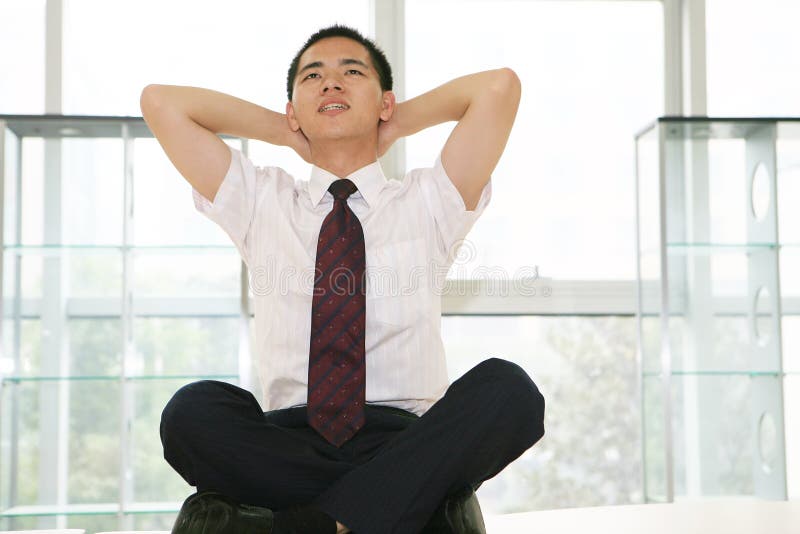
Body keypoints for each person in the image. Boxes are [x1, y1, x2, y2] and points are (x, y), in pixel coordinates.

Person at [141, 24, 545, 534]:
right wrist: (289, 131)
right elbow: (161, 104)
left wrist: (393, 124)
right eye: (313, 76)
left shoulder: (428, 201)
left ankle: (322, 519)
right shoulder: (261, 200)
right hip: (287, 443)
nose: (331, 84)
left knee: (510, 391)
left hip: (404, 438)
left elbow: (498, 88)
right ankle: (373, 506)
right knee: (192, 412)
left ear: (385, 102)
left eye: (352, 72)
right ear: (293, 106)